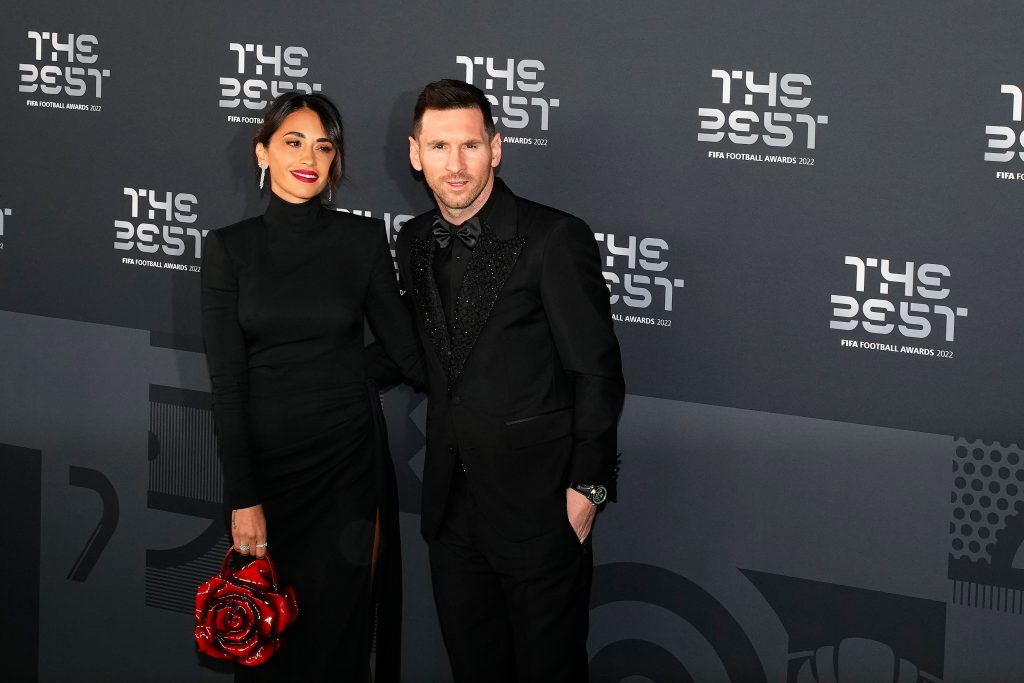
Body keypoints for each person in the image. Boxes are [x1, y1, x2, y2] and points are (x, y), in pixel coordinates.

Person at [395, 79, 625, 682]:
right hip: (451, 510)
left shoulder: (553, 238)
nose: (455, 164)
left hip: (540, 509)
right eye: (439, 147)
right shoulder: (413, 240)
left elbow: (596, 372)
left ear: (495, 148)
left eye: (470, 145)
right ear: (416, 154)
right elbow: (423, 356)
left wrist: (588, 488)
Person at [201, 91, 421, 682]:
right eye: (293, 142)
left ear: (335, 161)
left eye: (324, 147)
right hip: (269, 471)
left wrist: (346, 373)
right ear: (262, 152)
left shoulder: (361, 241)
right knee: (269, 636)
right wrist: (244, 499)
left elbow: (405, 352)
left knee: (337, 635)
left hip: (346, 466)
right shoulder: (229, 249)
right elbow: (227, 383)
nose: (309, 157)